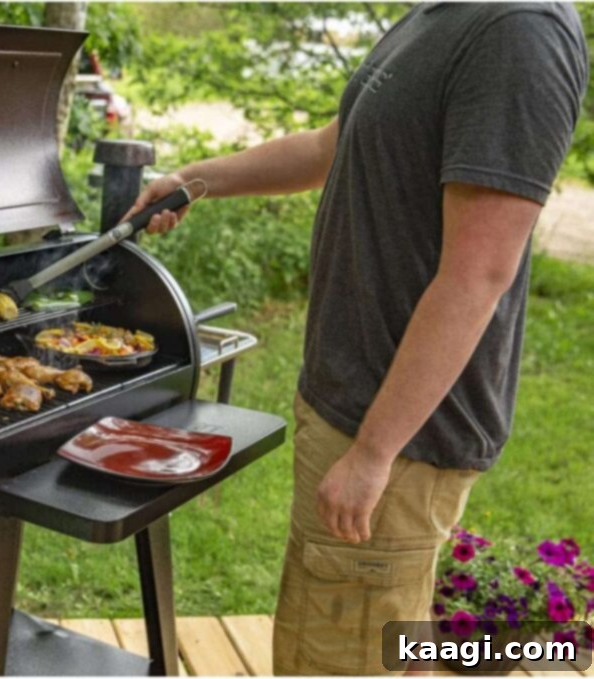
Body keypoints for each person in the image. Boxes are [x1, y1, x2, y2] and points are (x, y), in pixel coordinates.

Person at [124, 3, 588, 675]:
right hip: (354, 408)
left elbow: (478, 274)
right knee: (386, 642)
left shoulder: (518, 32)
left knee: (336, 657)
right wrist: (197, 180)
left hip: (396, 435)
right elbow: (331, 146)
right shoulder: (439, 15)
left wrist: (374, 453)